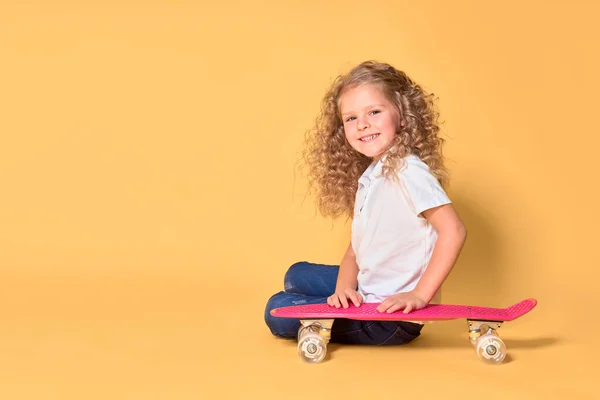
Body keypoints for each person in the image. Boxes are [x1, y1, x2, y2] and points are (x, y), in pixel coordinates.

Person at [264, 61, 467, 346]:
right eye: (350, 118)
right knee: (296, 273)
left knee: (276, 308)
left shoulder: (408, 171)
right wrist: (344, 289)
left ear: (402, 115)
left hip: (388, 318)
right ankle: (343, 298)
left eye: (374, 111)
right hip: (371, 284)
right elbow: (354, 252)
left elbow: (453, 231)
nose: (362, 124)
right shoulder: (373, 174)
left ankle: (341, 307)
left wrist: (420, 295)